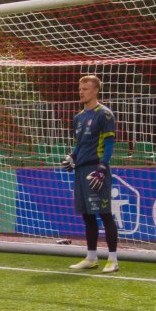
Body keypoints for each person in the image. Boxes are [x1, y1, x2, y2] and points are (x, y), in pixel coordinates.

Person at [64, 74, 119, 274]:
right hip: (81, 170)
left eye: (86, 89)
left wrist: (103, 168)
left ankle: (113, 260)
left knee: (104, 215)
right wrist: (72, 157)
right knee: (87, 216)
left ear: (95, 90)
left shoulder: (104, 114)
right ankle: (91, 257)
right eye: (80, 89)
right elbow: (80, 144)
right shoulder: (78, 117)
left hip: (96, 170)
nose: (81, 92)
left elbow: (109, 144)